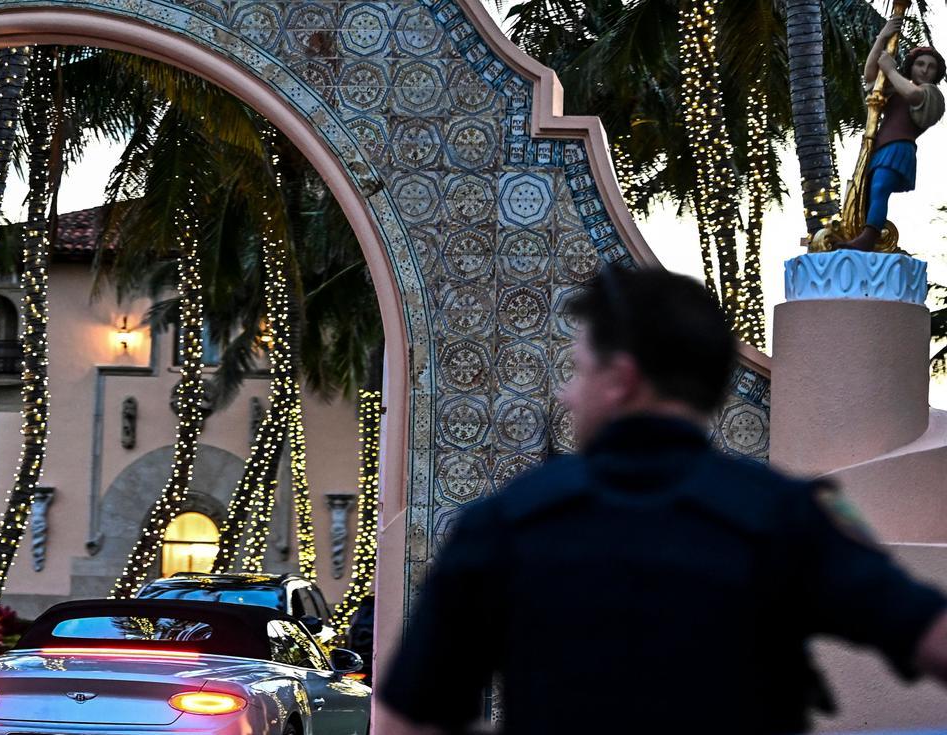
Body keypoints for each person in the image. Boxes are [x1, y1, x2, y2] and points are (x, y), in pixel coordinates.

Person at [379, 267, 947, 734]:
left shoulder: (503, 524)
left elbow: (409, 719)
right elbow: (931, 635)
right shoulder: (786, 516)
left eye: (579, 370)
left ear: (621, 380)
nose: (565, 393)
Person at [839, 17, 944, 251]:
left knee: (880, 188)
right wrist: (883, 37)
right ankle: (861, 231)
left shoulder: (931, 94)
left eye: (931, 67)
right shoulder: (897, 88)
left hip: (899, 148)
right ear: (912, 66)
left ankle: (870, 234)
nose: (925, 70)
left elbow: (913, 95)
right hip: (878, 148)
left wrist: (890, 69)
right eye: (920, 64)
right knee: (866, 193)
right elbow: (870, 75)